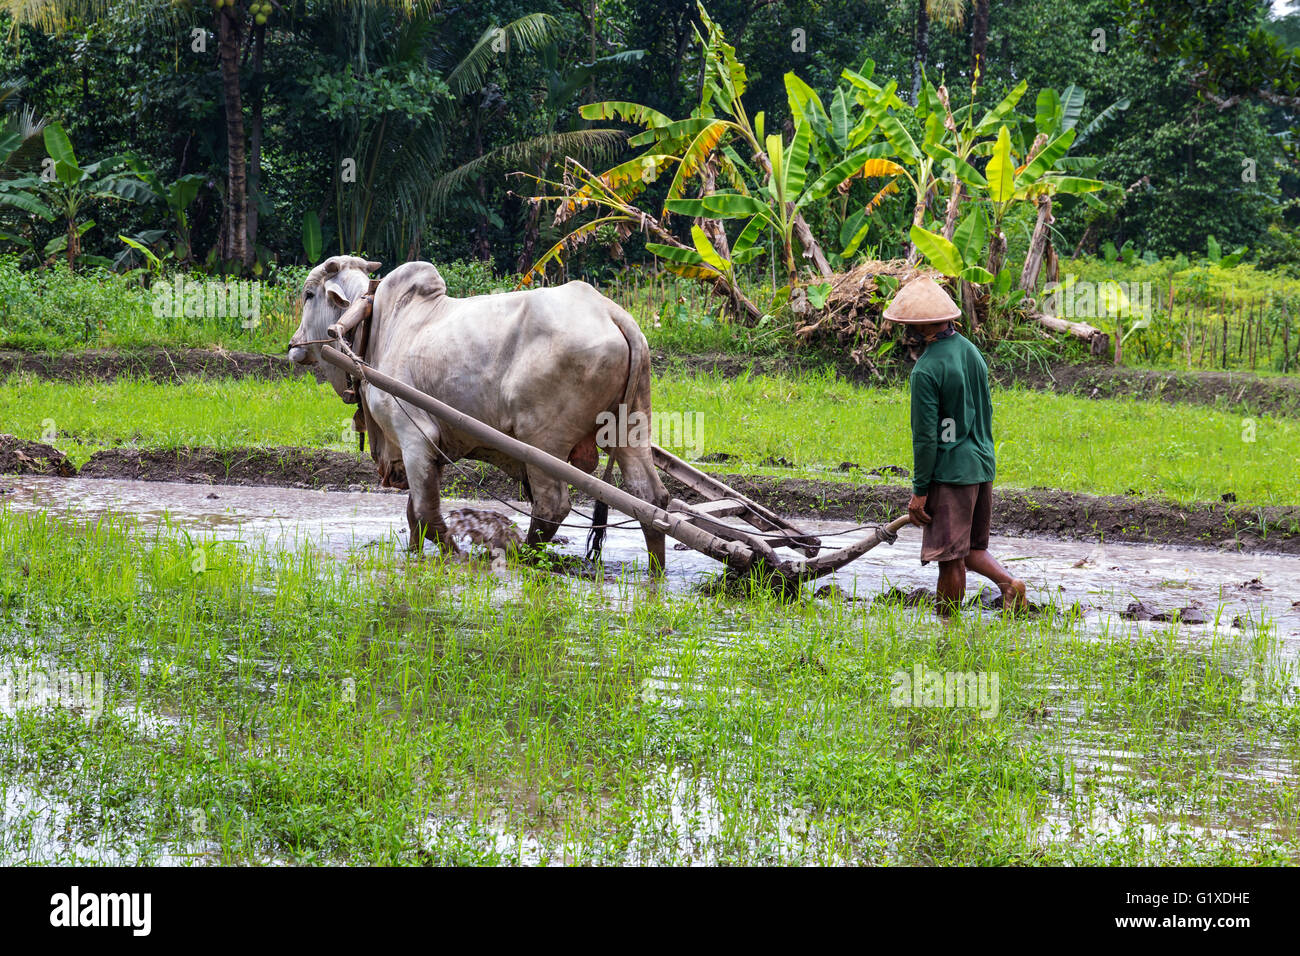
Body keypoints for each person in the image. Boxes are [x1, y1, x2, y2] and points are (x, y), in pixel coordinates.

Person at [882, 276, 1028, 615]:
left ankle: (947, 628)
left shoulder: (926, 369)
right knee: (970, 549)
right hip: (981, 466)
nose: (907, 332)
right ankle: (1010, 585)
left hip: (950, 473)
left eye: (909, 326)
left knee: (948, 558)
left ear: (923, 327)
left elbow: (926, 438)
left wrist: (920, 491)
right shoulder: (971, 352)